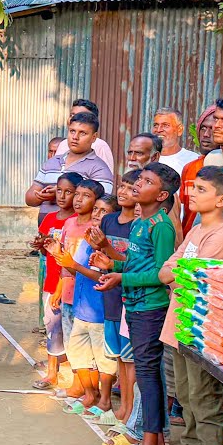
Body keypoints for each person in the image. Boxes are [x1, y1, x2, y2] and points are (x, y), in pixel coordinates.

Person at [155, 166, 223, 445]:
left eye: (202, 189)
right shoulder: (194, 232)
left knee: (205, 401)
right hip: (179, 325)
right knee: (187, 398)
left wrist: (178, 273)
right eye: (194, 187)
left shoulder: (221, 238)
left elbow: (193, 281)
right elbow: (169, 270)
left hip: (202, 330)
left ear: (221, 199)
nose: (192, 194)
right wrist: (177, 272)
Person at [96, 162, 180, 445]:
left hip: (150, 308)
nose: (136, 184)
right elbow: (135, 263)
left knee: (148, 377)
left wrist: (122, 279)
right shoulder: (140, 222)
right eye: (138, 179)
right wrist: (112, 266)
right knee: (146, 376)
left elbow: (160, 275)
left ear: (161, 194)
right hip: (134, 305)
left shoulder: (162, 226)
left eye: (146, 181)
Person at [52, 179, 111, 418]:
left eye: (103, 211)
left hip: (98, 309)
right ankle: (89, 393)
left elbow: (102, 273)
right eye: (96, 209)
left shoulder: (106, 242)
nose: (97, 214)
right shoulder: (87, 237)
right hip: (80, 306)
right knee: (78, 353)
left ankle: (102, 398)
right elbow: (71, 267)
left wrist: (72, 264)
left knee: (102, 359)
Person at [90, 170, 141, 424]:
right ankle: (123, 409)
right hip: (109, 296)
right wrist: (98, 251)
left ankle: (129, 411)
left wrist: (107, 253)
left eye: (131, 187)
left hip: (129, 297)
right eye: (122, 185)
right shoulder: (109, 220)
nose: (123, 191)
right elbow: (105, 256)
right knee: (119, 356)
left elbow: (131, 264)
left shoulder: (140, 226)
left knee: (130, 359)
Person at [33, 172, 78, 390]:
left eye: (68, 192)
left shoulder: (76, 223)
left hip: (70, 284)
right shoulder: (50, 218)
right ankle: (52, 372)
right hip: (51, 281)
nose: (62, 196)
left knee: (70, 329)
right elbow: (46, 251)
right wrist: (40, 245)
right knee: (52, 326)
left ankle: (73, 375)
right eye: (59, 190)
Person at [26, 111, 116, 221]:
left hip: (76, 233)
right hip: (46, 230)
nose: (75, 137)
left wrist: (60, 192)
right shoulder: (52, 162)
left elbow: (100, 207)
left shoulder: (99, 169)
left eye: (82, 133)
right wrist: (40, 196)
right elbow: (29, 198)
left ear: (94, 137)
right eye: (72, 131)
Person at [179, 106, 218, 230]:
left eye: (212, 129)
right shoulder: (190, 168)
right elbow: (184, 211)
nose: (206, 135)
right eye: (203, 128)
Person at [53, 99, 117, 173]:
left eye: (81, 116)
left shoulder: (100, 146)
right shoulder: (63, 144)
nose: (74, 119)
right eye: (72, 115)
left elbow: (105, 177)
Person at [152, 107, 200, 175]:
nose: (159, 130)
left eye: (165, 125)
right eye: (156, 125)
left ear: (179, 130)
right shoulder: (145, 158)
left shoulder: (193, 160)